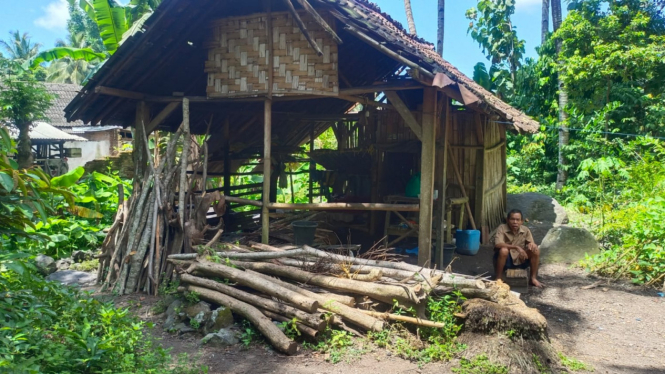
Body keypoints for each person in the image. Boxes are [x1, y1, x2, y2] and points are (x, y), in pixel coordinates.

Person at [493, 209, 544, 288]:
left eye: (517, 220)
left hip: (521, 259)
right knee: (504, 250)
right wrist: (516, 247)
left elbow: (531, 243)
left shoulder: (525, 230)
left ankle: (533, 278)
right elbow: (498, 244)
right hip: (506, 260)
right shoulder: (502, 228)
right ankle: (498, 278)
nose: (515, 222)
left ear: (522, 221)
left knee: (536, 250)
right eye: (512, 219)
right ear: (507, 220)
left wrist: (532, 245)